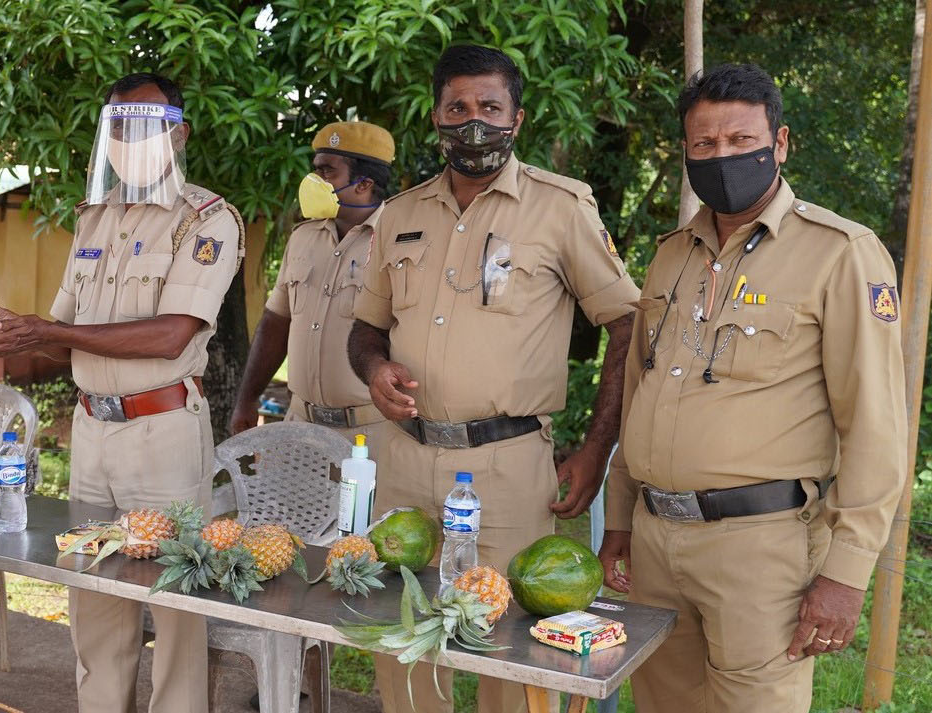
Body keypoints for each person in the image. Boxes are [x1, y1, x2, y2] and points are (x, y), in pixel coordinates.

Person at [598, 64, 907, 713]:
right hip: (653, 541)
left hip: (760, 548)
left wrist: (845, 574)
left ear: (781, 142)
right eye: (702, 145)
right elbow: (640, 392)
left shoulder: (839, 253)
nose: (721, 157)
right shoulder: (669, 254)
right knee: (659, 701)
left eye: (740, 141)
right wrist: (620, 515)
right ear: (684, 151)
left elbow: (875, 425)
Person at [347, 45, 639, 713]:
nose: (472, 122)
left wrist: (594, 449)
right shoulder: (399, 214)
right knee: (406, 649)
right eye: (457, 108)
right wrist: (372, 367)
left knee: (512, 652)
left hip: (507, 469)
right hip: (406, 462)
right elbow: (365, 326)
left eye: (488, 108)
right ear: (435, 118)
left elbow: (626, 322)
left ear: (517, 118)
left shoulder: (560, 208)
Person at [0, 72, 244, 713]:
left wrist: (49, 330)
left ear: (180, 133)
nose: (127, 138)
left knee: (174, 600)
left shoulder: (206, 219)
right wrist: (17, 338)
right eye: (116, 125)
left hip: (162, 430)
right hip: (92, 430)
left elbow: (172, 335)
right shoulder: (95, 218)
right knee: (93, 593)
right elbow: (67, 338)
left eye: (143, 124)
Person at [229, 121, 395, 439]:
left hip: (371, 433)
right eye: (315, 169)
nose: (313, 180)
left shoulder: (397, 242)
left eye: (327, 172)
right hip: (299, 424)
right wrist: (247, 399)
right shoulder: (304, 237)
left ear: (363, 184)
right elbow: (275, 323)